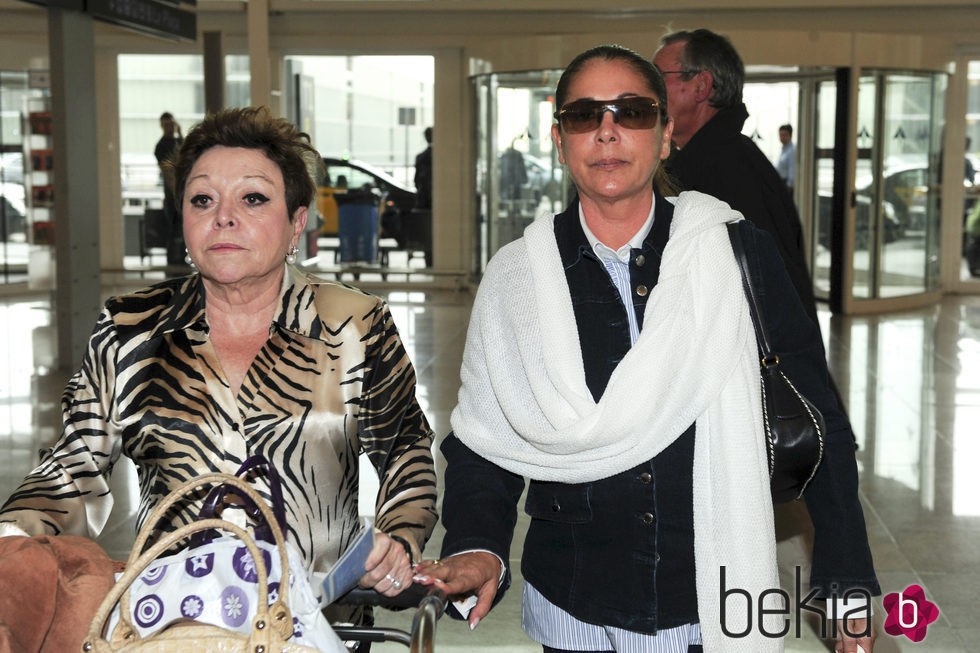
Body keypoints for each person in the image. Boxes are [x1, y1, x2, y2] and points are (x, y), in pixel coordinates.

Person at [414, 45, 879, 653]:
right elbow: (486, 441)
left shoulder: (734, 254)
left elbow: (821, 423)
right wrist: (478, 547)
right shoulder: (518, 277)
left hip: (715, 604)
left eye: (631, 112)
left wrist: (846, 586)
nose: (607, 131)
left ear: (663, 138)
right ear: (561, 141)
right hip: (577, 605)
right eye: (584, 115)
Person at [0, 106, 438, 630]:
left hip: (321, 625)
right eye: (202, 199)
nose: (223, 217)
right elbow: (72, 468)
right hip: (169, 624)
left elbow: (407, 451)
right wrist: (12, 540)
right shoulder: (130, 330)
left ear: (297, 220)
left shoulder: (354, 325)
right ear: (182, 217)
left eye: (253, 198)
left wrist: (398, 538)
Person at [652, 29, 819, 327]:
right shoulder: (710, 158)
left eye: (658, 77)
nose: (648, 90)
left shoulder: (727, 166)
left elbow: (767, 287)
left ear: (701, 86)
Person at [154, 111, 185, 270]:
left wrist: (180, 133)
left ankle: (181, 259)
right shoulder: (161, 146)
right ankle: (173, 261)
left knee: (182, 227)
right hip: (172, 194)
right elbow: (167, 173)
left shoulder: (179, 141)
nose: (169, 128)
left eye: (171, 124)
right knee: (173, 229)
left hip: (180, 193)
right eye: (166, 125)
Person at [414, 126, 433, 210]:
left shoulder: (420, 157)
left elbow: (416, 180)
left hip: (423, 198)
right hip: (434, 198)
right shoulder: (440, 157)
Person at [776, 123, 796, 194]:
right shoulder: (783, 149)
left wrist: (789, 186)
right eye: (780, 135)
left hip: (786, 185)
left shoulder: (792, 150)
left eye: (784, 135)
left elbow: (792, 168)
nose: (782, 137)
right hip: (781, 183)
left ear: (790, 135)